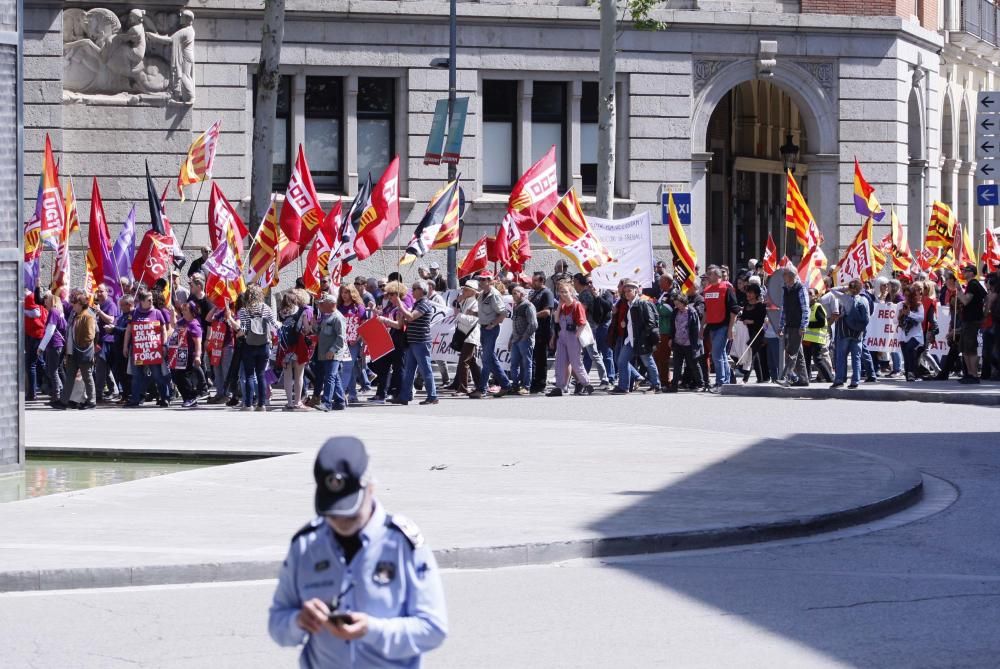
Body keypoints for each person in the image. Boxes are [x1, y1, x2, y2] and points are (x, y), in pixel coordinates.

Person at [268, 436, 448, 666]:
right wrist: (298, 621)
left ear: (370, 488)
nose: (341, 521)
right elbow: (277, 623)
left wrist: (372, 630)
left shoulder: (402, 544)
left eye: (350, 512)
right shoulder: (305, 546)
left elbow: (433, 628)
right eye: (333, 513)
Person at [391, 280, 438, 406]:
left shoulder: (424, 303)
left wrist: (400, 304)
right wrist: (401, 316)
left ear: (421, 290)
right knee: (409, 370)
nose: (412, 291)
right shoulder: (417, 303)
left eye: (414, 288)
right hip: (412, 341)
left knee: (425, 369)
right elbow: (409, 320)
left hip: (421, 341)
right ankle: (404, 396)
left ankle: (432, 396)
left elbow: (411, 317)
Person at [612, 279, 661, 394]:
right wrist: (624, 322)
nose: (627, 293)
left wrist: (643, 337)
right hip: (630, 340)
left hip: (641, 339)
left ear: (636, 291)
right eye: (625, 291)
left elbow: (650, 323)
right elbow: (632, 321)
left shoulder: (643, 303)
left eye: (630, 291)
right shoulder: (630, 305)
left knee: (648, 362)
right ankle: (623, 387)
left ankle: (656, 385)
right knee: (621, 361)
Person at [125, 289, 172, 407]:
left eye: (152, 299)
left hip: (153, 350)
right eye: (149, 300)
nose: (152, 301)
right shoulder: (134, 313)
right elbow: (129, 330)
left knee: (157, 374)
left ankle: (165, 398)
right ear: (141, 301)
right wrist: (125, 346)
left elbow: (163, 330)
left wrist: (164, 344)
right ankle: (135, 399)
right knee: (136, 375)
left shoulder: (157, 313)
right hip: (137, 350)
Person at [547, 281, 593, 396]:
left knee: (576, 362)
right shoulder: (562, 307)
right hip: (562, 337)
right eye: (561, 292)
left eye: (565, 292)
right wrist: (559, 306)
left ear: (571, 292)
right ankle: (560, 386)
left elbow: (582, 323)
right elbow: (557, 321)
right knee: (560, 362)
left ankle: (586, 384)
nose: (563, 294)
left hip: (573, 336)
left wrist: (576, 336)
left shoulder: (577, 305)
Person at [237, 285, 279, 411]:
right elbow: (274, 324)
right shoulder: (266, 308)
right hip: (264, 345)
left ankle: (248, 404)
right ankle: (261, 405)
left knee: (249, 375)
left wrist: (240, 332)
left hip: (249, 345)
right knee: (261, 375)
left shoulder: (244, 310)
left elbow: (243, 329)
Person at [55, 291, 98, 410]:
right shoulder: (75, 316)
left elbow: (90, 335)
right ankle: (64, 401)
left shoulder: (88, 316)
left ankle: (91, 401)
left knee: (87, 377)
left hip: (83, 352)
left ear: (81, 304)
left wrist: (80, 345)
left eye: (75, 303)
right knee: (70, 377)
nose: (73, 305)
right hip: (73, 352)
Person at [475, 272, 512, 398]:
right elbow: (483, 313)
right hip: (484, 328)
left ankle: (482, 388)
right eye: (480, 279)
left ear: (490, 281)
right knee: (491, 359)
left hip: (491, 329)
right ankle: (506, 384)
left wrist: (493, 323)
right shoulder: (481, 294)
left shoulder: (494, 295)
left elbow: (503, 313)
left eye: (483, 279)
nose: (480, 281)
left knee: (486, 359)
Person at [702, 266, 739, 389]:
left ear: (718, 276)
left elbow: (734, 311)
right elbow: (706, 312)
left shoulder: (727, 289)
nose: (708, 276)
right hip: (712, 326)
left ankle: (720, 382)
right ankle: (726, 381)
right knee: (721, 354)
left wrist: (730, 329)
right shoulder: (707, 290)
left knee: (717, 354)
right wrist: (701, 328)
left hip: (723, 325)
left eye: (710, 274)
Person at [830, 279, 866, 390]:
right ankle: (855, 381)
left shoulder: (845, 298)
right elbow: (867, 318)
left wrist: (845, 287)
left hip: (844, 332)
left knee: (841, 357)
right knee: (856, 357)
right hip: (858, 333)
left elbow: (832, 289)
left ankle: (839, 380)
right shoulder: (864, 300)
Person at [776, 267, 809, 387]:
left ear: (791, 276)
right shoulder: (786, 290)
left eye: (784, 275)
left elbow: (806, 309)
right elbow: (784, 309)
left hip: (797, 326)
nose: (783, 278)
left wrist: (803, 326)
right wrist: (781, 325)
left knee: (791, 352)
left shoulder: (800, 289)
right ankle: (803, 379)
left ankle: (786, 377)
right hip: (789, 325)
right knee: (798, 353)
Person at [314, 294, 348, 411]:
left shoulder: (338, 318)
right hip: (324, 353)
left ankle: (327, 403)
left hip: (333, 353)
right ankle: (340, 401)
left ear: (332, 304)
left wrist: (332, 350)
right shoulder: (326, 316)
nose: (320, 305)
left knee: (330, 377)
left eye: (323, 303)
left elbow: (341, 337)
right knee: (335, 377)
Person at [169, 300, 205, 408]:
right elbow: (174, 325)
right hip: (180, 354)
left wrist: (198, 356)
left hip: (189, 355)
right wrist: (172, 314)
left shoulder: (194, 325)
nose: (183, 312)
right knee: (177, 376)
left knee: (183, 376)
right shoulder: (182, 321)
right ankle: (187, 397)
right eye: (183, 309)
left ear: (192, 312)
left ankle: (191, 397)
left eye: (186, 310)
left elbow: (198, 343)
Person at [956, 264, 987, 384]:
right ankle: (969, 374)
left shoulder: (973, 284)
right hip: (968, 320)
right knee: (965, 348)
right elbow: (986, 297)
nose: (963, 272)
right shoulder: (974, 284)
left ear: (972, 272)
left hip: (971, 320)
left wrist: (959, 290)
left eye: (966, 271)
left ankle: (974, 374)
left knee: (970, 348)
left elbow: (965, 300)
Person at [337, 284, 368, 404]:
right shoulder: (339, 307)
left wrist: (359, 338)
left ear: (352, 293)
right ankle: (353, 395)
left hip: (354, 342)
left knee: (347, 367)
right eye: (343, 293)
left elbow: (363, 324)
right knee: (350, 369)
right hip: (341, 342)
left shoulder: (358, 307)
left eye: (347, 292)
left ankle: (341, 393)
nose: (344, 295)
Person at [666, 293, 703, 392]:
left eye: (678, 303)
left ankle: (701, 384)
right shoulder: (675, 312)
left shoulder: (692, 312)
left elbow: (696, 329)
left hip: (689, 343)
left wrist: (696, 343)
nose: (676, 306)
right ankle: (674, 386)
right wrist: (671, 338)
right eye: (675, 304)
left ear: (683, 302)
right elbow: (672, 327)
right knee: (677, 365)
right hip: (678, 342)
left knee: (693, 364)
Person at [452, 281, 483, 398]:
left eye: (466, 289)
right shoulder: (464, 301)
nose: (463, 291)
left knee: (463, 362)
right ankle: (480, 384)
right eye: (463, 289)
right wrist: (458, 304)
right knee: (472, 362)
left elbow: (472, 320)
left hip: (471, 336)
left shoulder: (475, 303)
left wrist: (458, 315)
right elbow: (454, 306)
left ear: (472, 292)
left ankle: (463, 388)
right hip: (465, 335)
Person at [92, 283, 121, 402]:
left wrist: (99, 312)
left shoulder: (110, 304)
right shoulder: (99, 304)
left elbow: (111, 320)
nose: (99, 293)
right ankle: (114, 391)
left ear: (107, 292)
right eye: (97, 291)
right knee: (105, 367)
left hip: (107, 340)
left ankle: (98, 394)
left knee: (100, 367)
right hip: (99, 340)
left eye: (101, 291)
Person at [528, 272, 556, 393]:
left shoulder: (547, 293)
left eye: (535, 281)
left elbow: (547, 312)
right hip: (534, 331)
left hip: (543, 331)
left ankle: (541, 383)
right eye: (532, 280)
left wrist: (531, 315)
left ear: (542, 281)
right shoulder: (535, 293)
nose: (532, 283)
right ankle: (534, 382)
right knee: (535, 358)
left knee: (541, 359)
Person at [37, 290, 67, 402]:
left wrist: (41, 347)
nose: (45, 301)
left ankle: (57, 395)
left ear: (52, 300)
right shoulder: (58, 311)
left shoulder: (54, 312)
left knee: (52, 370)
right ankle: (62, 392)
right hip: (57, 344)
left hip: (55, 344)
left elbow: (50, 331)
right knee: (55, 370)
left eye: (47, 299)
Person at [508, 285, 537, 395]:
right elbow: (515, 325)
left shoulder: (528, 306)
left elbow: (533, 324)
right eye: (513, 293)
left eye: (516, 293)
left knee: (526, 364)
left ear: (522, 294)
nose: (514, 295)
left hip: (525, 340)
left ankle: (526, 386)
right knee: (514, 364)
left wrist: (524, 337)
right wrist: (511, 339)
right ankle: (515, 385)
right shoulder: (516, 306)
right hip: (516, 340)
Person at [802, 288, 834, 383]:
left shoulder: (817, 306)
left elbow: (821, 323)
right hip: (807, 339)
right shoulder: (807, 307)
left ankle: (830, 378)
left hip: (816, 339)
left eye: (810, 293)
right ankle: (806, 378)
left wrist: (807, 324)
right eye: (807, 293)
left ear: (815, 296)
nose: (808, 295)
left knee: (818, 360)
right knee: (806, 359)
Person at [897, 283, 926, 382]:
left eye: (909, 295)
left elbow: (921, 318)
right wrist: (900, 315)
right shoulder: (900, 305)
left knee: (910, 348)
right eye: (905, 295)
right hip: (903, 335)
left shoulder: (918, 305)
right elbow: (894, 321)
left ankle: (911, 373)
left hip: (915, 335)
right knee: (906, 355)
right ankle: (909, 374)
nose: (907, 297)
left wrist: (910, 313)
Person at [653, 275, 676, 387]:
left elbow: (668, 311)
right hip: (660, 329)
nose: (659, 283)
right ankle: (661, 378)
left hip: (666, 330)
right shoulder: (662, 293)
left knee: (663, 357)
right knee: (657, 356)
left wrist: (656, 305)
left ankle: (664, 381)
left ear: (667, 281)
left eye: (661, 281)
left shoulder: (673, 293)